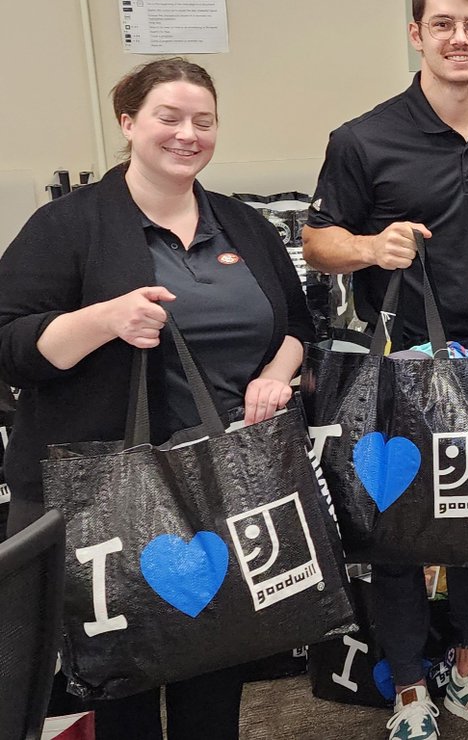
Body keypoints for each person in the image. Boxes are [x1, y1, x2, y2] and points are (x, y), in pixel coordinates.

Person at [0, 58, 314, 740]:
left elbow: (297, 325)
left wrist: (276, 374)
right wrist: (102, 321)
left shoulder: (242, 225)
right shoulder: (69, 225)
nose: (186, 135)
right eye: (168, 118)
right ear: (128, 123)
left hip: (221, 487)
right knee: (123, 686)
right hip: (101, 494)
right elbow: (9, 343)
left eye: (203, 121)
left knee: (216, 667)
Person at [302, 0, 468, 740]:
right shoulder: (362, 138)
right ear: (417, 33)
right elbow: (317, 242)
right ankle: (409, 686)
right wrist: (370, 248)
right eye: (443, 24)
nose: (460, 39)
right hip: (399, 367)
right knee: (400, 535)